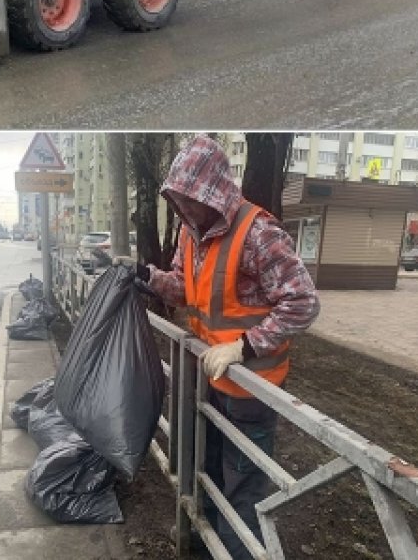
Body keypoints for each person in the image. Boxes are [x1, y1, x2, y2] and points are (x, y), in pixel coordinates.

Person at [136, 136, 319, 560]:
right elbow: (184, 289)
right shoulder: (190, 231)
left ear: (213, 192)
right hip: (207, 376)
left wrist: (245, 347)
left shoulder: (258, 233)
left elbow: (303, 302)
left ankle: (236, 552)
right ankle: (204, 543)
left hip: (251, 385)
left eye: (189, 200)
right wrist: (147, 276)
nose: (183, 209)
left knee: (243, 487)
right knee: (206, 468)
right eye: (177, 200)